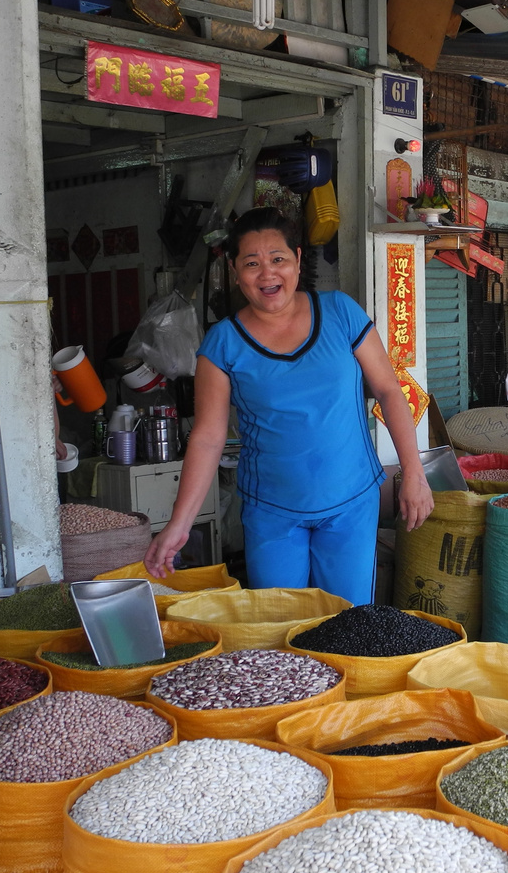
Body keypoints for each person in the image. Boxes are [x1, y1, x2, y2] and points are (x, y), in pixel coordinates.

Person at [144, 208, 434, 602]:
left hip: (350, 502)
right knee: (280, 632)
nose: (267, 274)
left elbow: (387, 390)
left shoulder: (340, 312)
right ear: (235, 271)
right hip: (272, 513)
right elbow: (209, 438)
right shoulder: (222, 345)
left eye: (277, 259)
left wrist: (413, 473)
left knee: (347, 627)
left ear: (297, 259)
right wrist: (180, 524)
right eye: (252, 263)